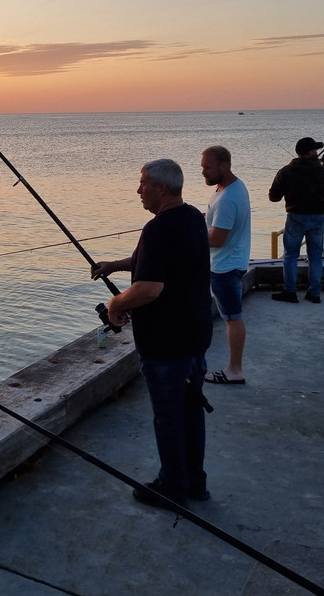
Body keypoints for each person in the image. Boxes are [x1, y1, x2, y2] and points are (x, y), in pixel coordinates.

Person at [91, 159, 212, 508]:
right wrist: (115, 266)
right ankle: (194, 482)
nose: (138, 189)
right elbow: (155, 261)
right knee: (191, 410)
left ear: (160, 187)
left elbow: (149, 287)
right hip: (195, 337)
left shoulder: (158, 228)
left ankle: (172, 486)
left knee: (169, 416)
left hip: (166, 344)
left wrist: (116, 304)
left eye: (142, 183)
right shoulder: (191, 218)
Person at [199, 146, 251, 385]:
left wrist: (191, 234)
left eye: (207, 168)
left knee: (232, 317)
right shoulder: (229, 187)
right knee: (231, 315)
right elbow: (216, 223)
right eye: (202, 167)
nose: (203, 172)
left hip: (225, 266)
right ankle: (234, 368)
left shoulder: (228, 198)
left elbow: (218, 239)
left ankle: (235, 370)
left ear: (224, 166)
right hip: (232, 261)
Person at [268, 137, 324, 303]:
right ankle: (314, 293)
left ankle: (290, 292)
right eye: (315, 150)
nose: (317, 153)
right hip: (318, 216)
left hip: (296, 216)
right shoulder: (323, 170)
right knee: (316, 256)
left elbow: (273, 197)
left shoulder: (286, 171)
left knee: (290, 256)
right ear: (310, 152)